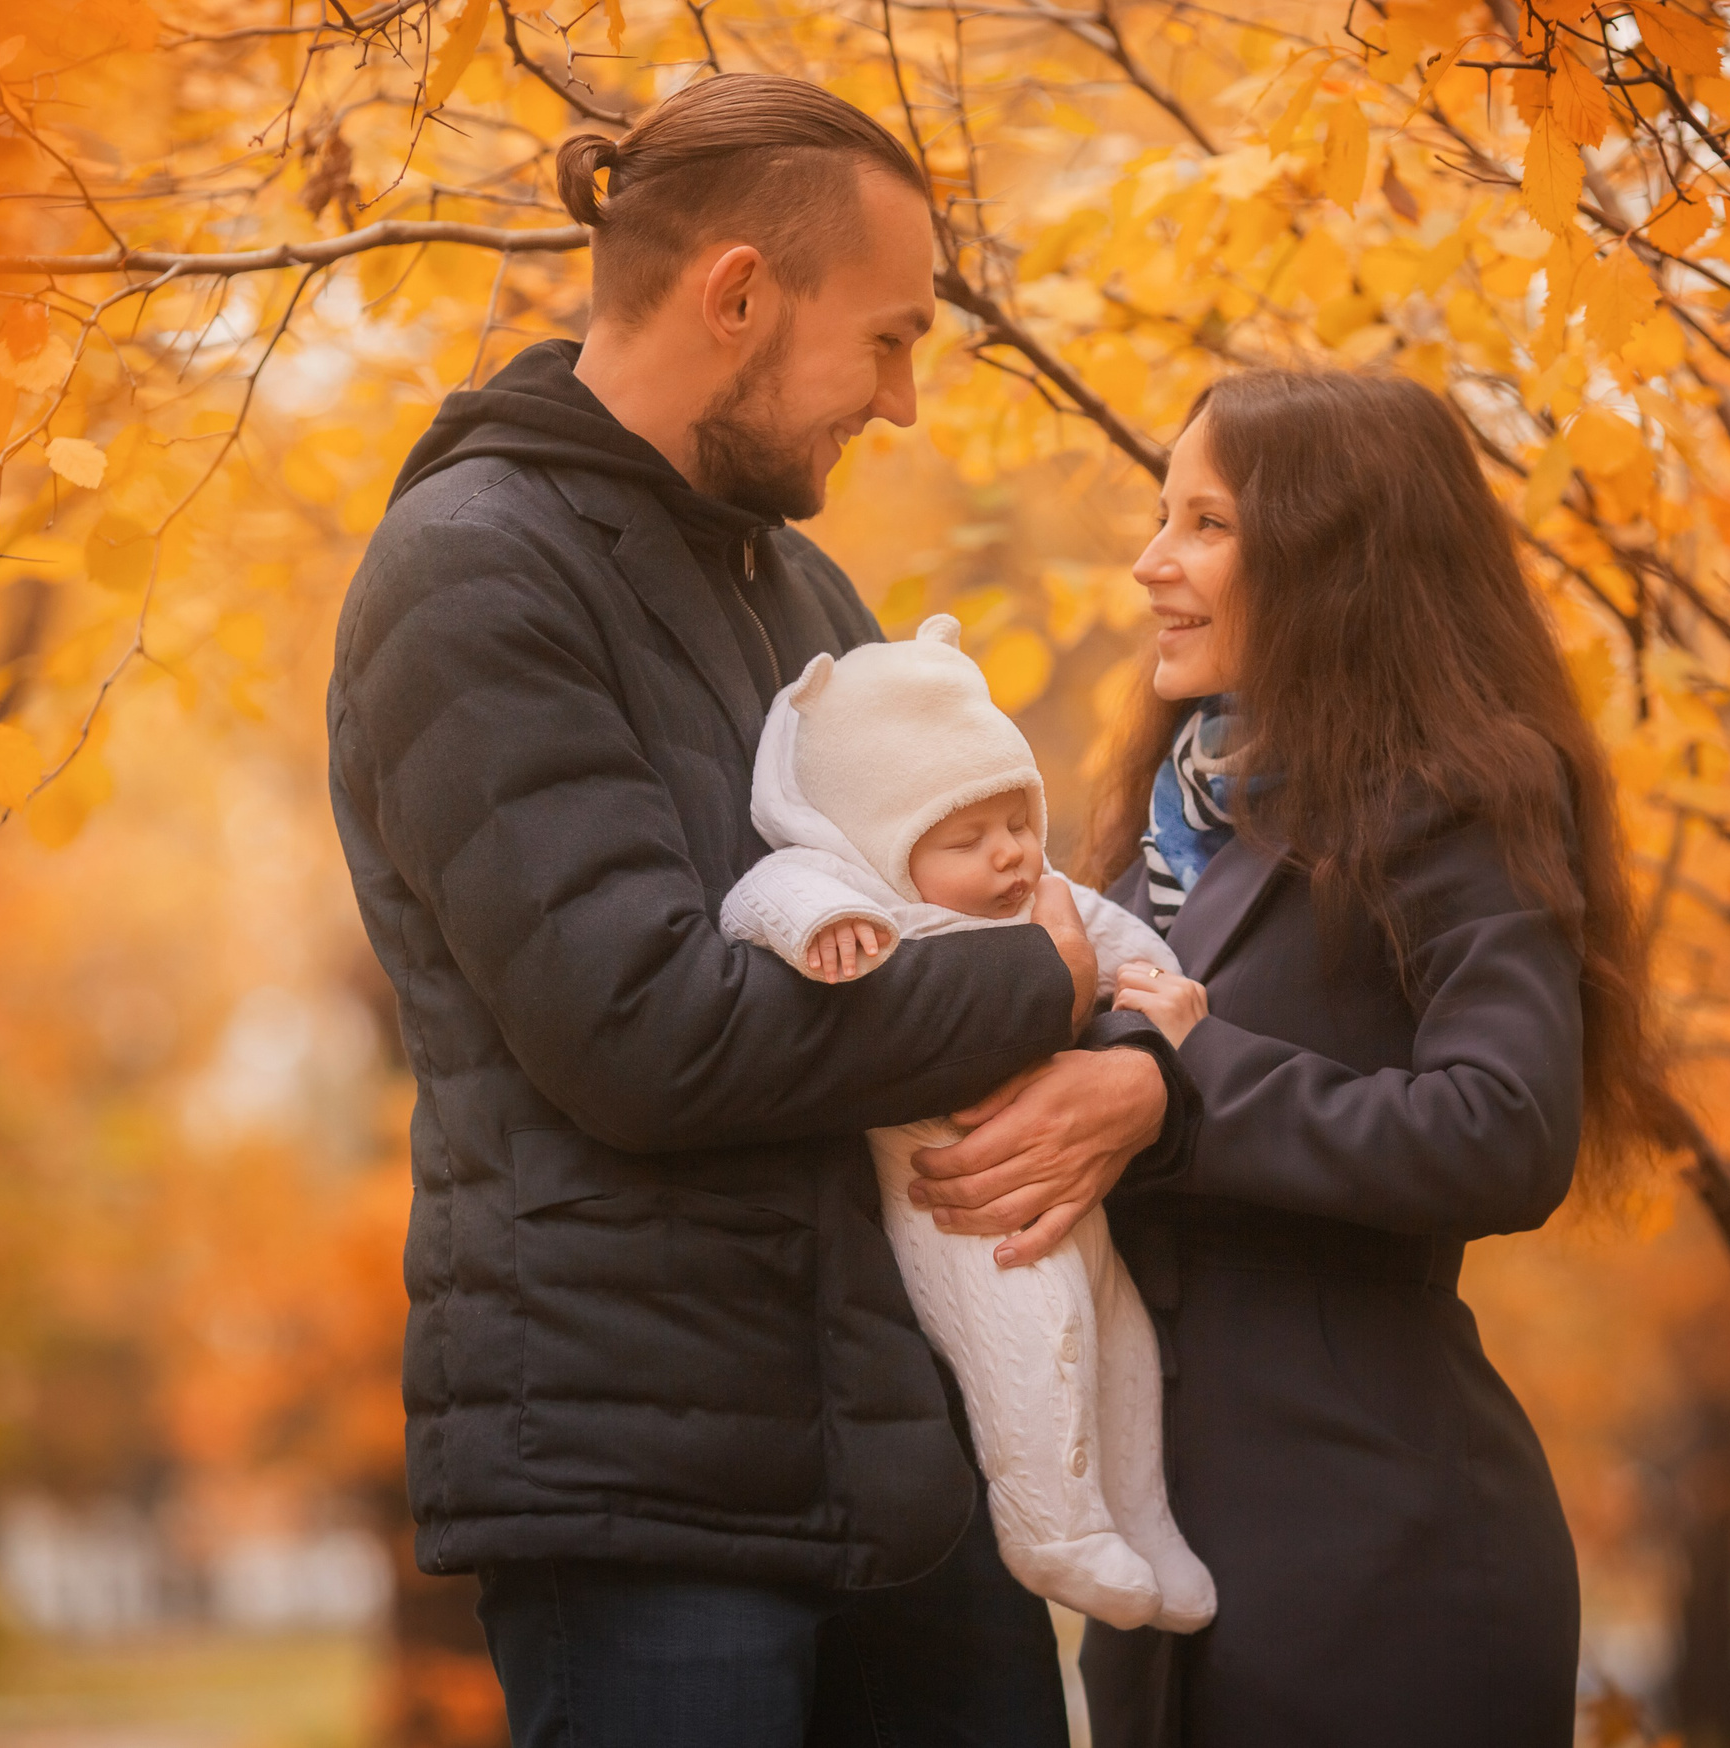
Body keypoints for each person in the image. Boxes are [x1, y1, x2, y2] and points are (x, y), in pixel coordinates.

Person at [324, 73, 1195, 1748]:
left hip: (896, 1464)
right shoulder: (473, 570)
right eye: (885, 340)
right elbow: (642, 1032)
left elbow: (971, 910)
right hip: (640, 1491)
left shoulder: (802, 591)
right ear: (736, 296)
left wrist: (1126, 1054)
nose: (909, 402)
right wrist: (1042, 982)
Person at [910, 368, 1669, 1745]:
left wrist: (1176, 1091)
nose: (1150, 564)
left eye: (1206, 524)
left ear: (1335, 552)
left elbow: (1507, 1127)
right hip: (1164, 1587)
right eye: (1161, 516)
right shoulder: (1160, 830)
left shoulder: (1462, 793)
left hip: (1385, 1561)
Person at [718, 615, 1216, 1634]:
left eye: (1017, 821)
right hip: (953, 1197)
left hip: (1068, 1189)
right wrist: (823, 927)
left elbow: (1125, 947)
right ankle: (1052, 1524)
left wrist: (1162, 1002)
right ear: (885, 846)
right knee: (1031, 1334)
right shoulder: (861, 893)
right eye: (965, 837)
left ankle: (1142, 1515)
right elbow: (759, 896)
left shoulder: (1038, 895)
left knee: (1120, 1340)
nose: (1006, 854)